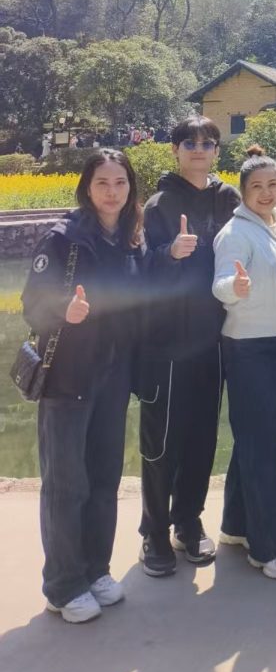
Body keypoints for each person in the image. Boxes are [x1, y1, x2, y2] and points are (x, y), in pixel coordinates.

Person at [23, 149, 143, 623]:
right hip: (68, 377)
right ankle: (63, 584)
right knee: (66, 484)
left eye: (120, 183)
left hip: (112, 378)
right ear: (86, 188)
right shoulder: (63, 239)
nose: (112, 192)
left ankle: (96, 570)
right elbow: (32, 304)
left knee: (104, 479)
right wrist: (64, 311)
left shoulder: (128, 240)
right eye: (102, 183)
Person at [138, 117, 240, 576]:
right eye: (189, 142)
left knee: (202, 437)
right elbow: (137, 271)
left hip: (213, 338)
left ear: (217, 150)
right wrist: (168, 254)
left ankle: (188, 521)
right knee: (162, 442)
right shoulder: (158, 205)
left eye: (207, 142)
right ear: (175, 150)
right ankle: (154, 531)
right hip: (167, 342)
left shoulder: (229, 198)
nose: (199, 149)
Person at [212, 148, 276, 579]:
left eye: (272, 184)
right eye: (257, 187)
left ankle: (237, 524)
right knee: (263, 443)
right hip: (249, 348)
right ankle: (269, 546)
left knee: (260, 437)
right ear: (243, 192)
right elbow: (221, 284)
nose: (266, 193)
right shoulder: (234, 233)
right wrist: (236, 287)